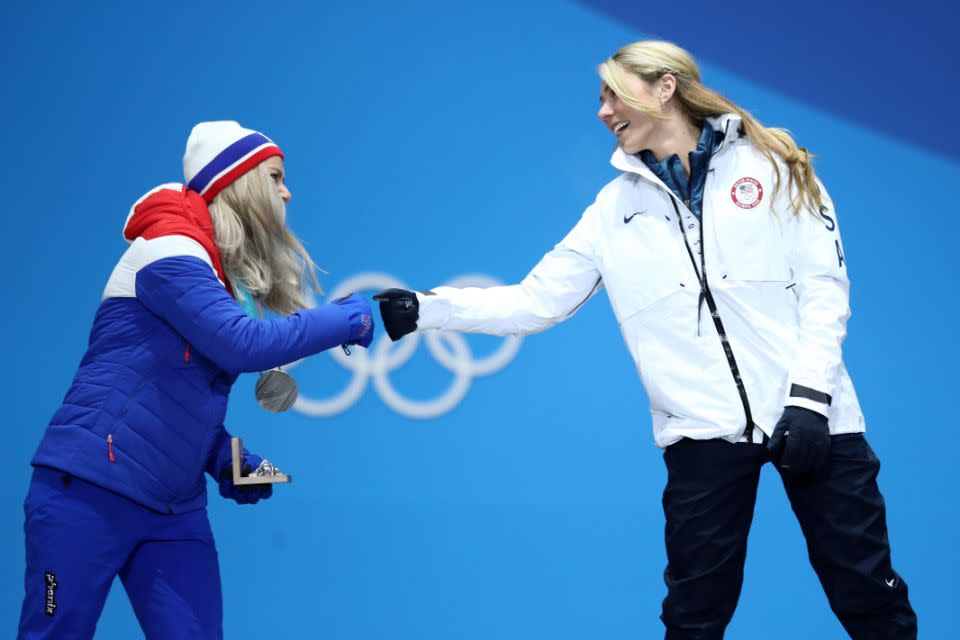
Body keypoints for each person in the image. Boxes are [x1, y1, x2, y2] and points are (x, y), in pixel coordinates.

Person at [374, 41, 917, 639]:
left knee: (869, 595)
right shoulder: (612, 209)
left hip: (814, 417)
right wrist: (427, 309)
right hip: (701, 433)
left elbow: (825, 288)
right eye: (600, 97)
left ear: (665, 88)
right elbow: (535, 301)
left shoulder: (772, 165)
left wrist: (811, 398)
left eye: (613, 92)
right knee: (692, 619)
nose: (602, 110)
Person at [18, 121, 374, 639]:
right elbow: (241, 345)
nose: (287, 192)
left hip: (173, 510)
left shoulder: (214, 273)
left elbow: (176, 396)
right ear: (240, 182)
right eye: (275, 177)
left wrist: (226, 460)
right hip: (88, 492)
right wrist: (345, 318)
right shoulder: (167, 250)